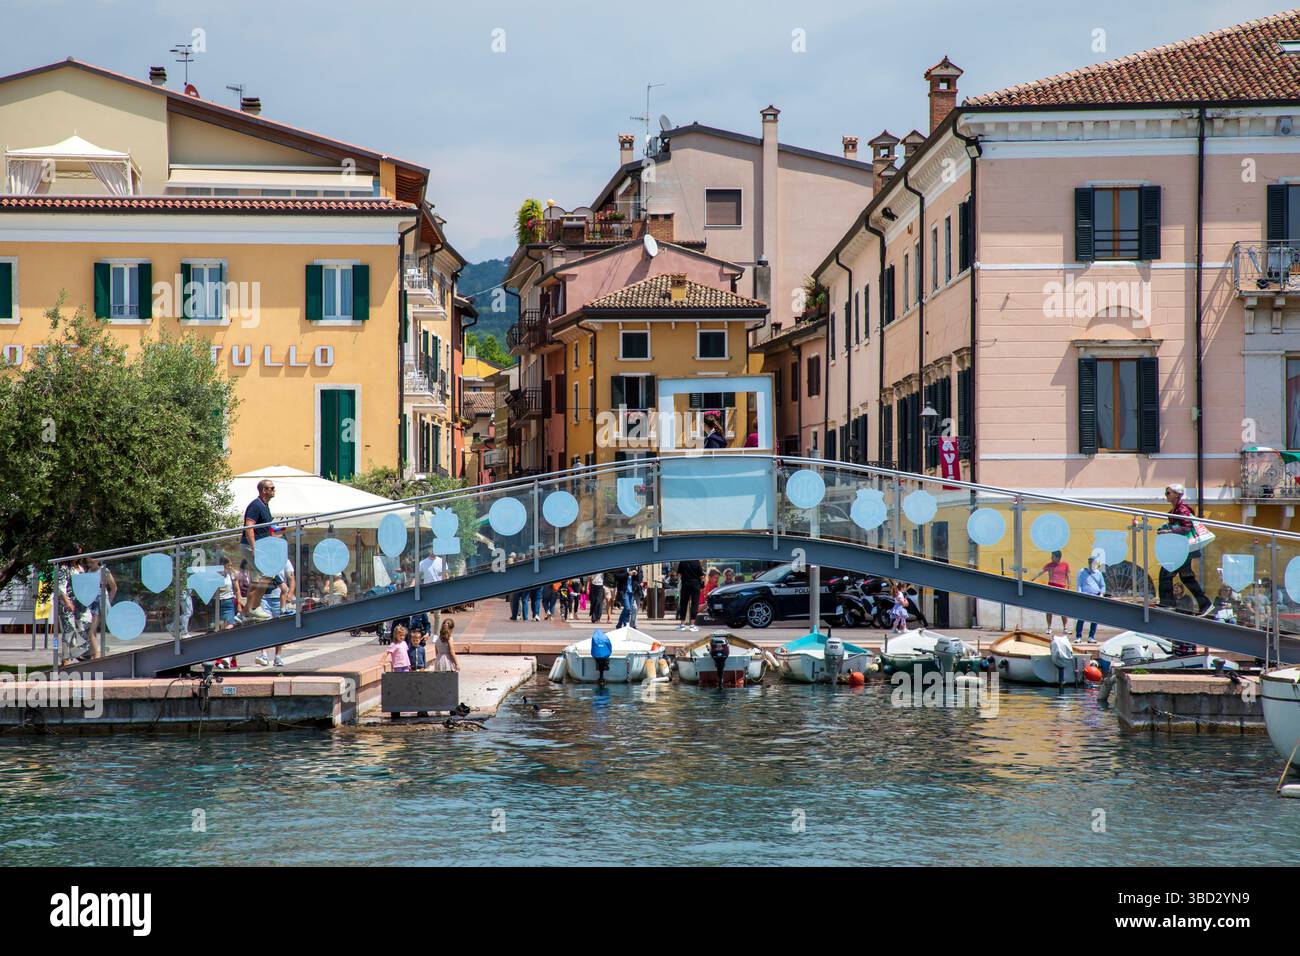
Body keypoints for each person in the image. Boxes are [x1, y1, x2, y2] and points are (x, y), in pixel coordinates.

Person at [1157, 482, 1213, 616]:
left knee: (1165, 573)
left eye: (1168, 492)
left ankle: (1168, 603)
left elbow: (1186, 527)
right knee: (1187, 578)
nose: (1166, 495)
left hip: (1182, 550)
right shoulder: (1176, 510)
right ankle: (1205, 604)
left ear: (1177, 494)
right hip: (1183, 550)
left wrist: (1169, 530)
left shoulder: (1181, 510)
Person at [254, 525, 293, 668]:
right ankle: (264, 655)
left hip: (278, 597)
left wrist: (290, 593)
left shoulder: (285, 561)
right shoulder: (266, 555)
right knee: (264, 626)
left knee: (278, 628)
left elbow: (291, 578)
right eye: (277, 534)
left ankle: (278, 656)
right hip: (264, 595)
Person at [242, 479, 276, 618]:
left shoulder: (265, 505)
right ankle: (254, 607)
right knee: (264, 575)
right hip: (252, 546)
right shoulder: (256, 505)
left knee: (263, 576)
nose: (274, 490)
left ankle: (247, 611)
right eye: (271, 488)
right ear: (264, 490)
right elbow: (249, 526)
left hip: (262, 547)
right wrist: (254, 547)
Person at [1031, 550, 1071, 636]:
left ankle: (1065, 628)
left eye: (1052, 557)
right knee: (1049, 609)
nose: (1051, 558)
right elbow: (1040, 572)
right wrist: (1032, 579)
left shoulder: (1065, 565)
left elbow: (1068, 577)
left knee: (1063, 610)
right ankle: (1049, 627)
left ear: (1058, 557)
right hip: (1051, 589)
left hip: (1061, 589)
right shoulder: (1049, 565)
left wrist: (1068, 587)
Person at [1074, 551, 1106, 643]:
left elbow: (1103, 585)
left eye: (1093, 563)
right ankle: (1078, 637)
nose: (1092, 564)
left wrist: (1101, 594)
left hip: (1095, 597)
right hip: (1085, 597)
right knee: (1081, 617)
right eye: (1090, 563)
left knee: (1094, 618)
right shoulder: (1083, 572)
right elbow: (1079, 584)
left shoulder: (1099, 574)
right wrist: (1080, 594)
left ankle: (1091, 637)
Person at [676, 559, 704, 632]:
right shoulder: (697, 562)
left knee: (683, 604)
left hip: (685, 584)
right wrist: (702, 584)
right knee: (695, 604)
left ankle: (682, 625)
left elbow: (679, 575)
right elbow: (701, 576)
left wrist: (680, 582)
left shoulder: (682, 561)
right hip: (695, 585)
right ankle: (692, 625)